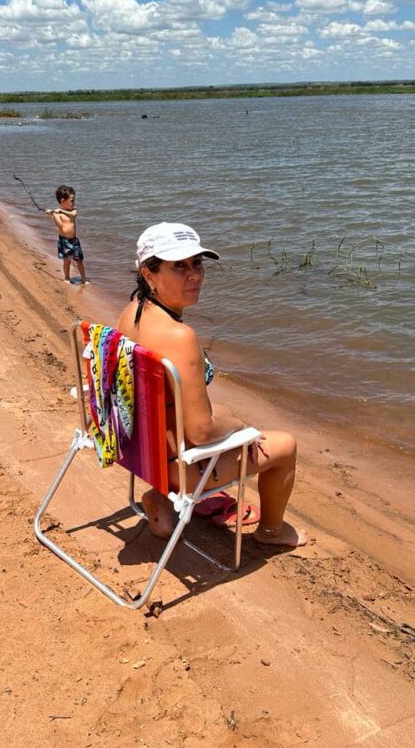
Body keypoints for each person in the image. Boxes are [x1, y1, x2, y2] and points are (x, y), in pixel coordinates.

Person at [116, 221, 307, 549]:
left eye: (197, 264)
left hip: (137, 451)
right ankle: (272, 532)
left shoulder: (132, 311)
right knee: (284, 445)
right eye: (179, 266)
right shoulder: (179, 337)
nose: (194, 275)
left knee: (202, 415)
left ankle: (159, 501)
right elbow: (202, 432)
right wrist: (240, 424)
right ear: (149, 274)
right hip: (174, 468)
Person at [45, 185, 88, 283]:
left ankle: (84, 278)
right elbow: (59, 225)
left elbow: (74, 215)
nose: (73, 203)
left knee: (79, 260)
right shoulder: (58, 214)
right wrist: (54, 214)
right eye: (71, 201)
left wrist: (60, 211)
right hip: (64, 240)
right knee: (66, 261)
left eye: (74, 200)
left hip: (74, 240)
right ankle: (67, 277)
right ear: (63, 201)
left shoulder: (72, 211)